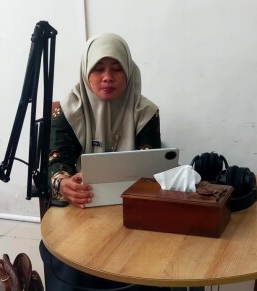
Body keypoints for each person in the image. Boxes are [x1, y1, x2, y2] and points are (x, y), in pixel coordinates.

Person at [40, 32, 167, 290]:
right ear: (86, 72)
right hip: (81, 206)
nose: (107, 77)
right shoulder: (66, 110)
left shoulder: (145, 112)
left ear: (128, 71)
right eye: (98, 69)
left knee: (150, 264)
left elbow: (149, 164)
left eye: (116, 68)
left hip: (131, 207)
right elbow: (57, 160)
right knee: (72, 264)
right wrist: (64, 183)